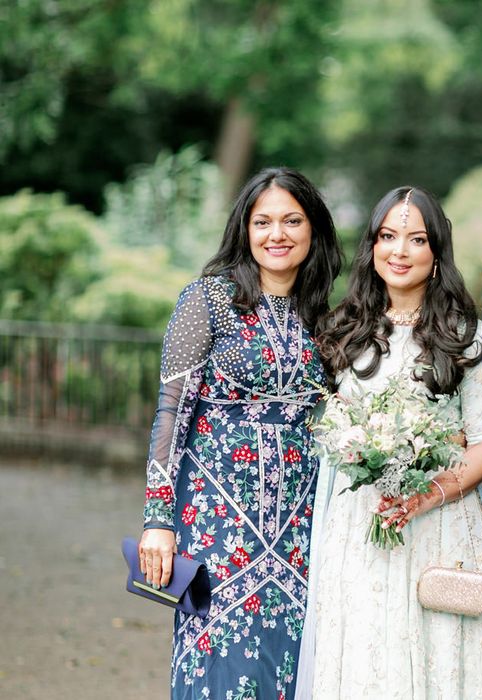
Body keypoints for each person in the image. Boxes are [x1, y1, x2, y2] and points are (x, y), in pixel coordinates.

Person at [139, 166, 342, 700]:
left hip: (300, 527)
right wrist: (158, 519)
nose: (277, 234)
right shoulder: (207, 301)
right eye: (263, 221)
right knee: (217, 667)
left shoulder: (324, 316)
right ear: (244, 230)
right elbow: (170, 412)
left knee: (290, 668)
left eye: (292, 221)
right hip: (215, 523)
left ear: (313, 230)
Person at [305, 186, 482, 699]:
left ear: (437, 255)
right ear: (372, 247)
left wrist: (426, 495)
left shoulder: (464, 336)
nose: (399, 251)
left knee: (439, 659)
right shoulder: (341, 332)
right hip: (360, 524)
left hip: (441, 523)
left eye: (416, 240)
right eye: (388, 236)